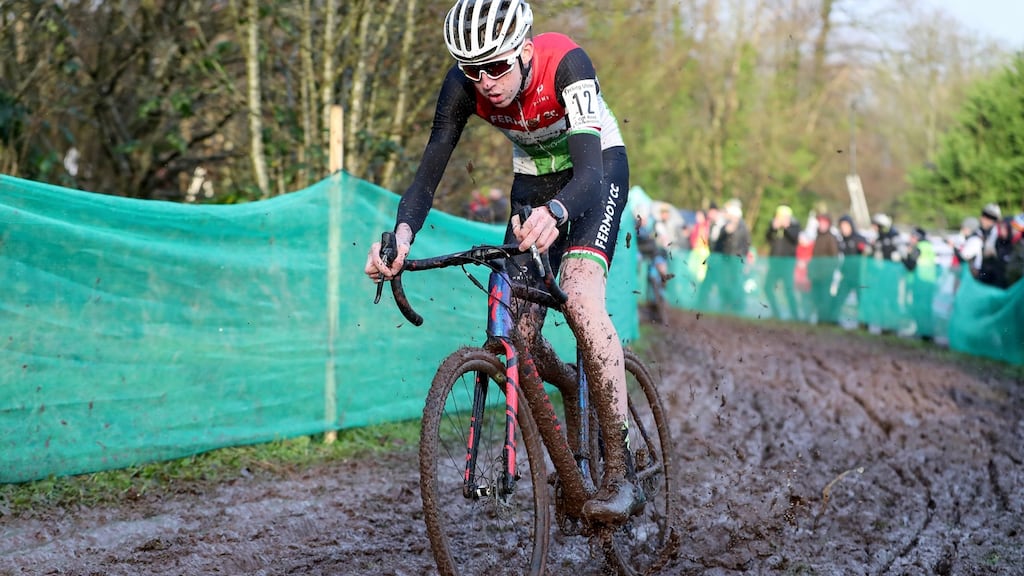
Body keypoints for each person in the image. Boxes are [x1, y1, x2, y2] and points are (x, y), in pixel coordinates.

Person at [363, 0, 641, 523]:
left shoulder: (567, 65)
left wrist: (558, 212)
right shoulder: (464, 85)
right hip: (534, 177)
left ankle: (621, 471)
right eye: (473, 70)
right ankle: (569, 388)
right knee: (518, 328)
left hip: (596, 169)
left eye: (496, 67)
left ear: (525, 52)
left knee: (580, 299)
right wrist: (401, 238)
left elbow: (587, 175)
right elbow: (429, 173)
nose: (485, 81)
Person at [764, 204, 802, 321]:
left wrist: (786, 227)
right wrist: (773, 228)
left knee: (788, 290)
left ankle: (795, 316)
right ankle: (776, 313)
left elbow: (795, 238)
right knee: (767, 287)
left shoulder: (795, 226)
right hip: (775, 263)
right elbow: (768, 238)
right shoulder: (775, 226)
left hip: (787, 264)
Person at [831, 215, 868, 326]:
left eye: (846, 226)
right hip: (846, 275)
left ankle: (863, 324)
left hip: (859, 276)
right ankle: (832, 319)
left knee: (861, 300)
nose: (844, 228)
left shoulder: (859, 239)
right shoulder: (841, 240)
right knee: (838, 298)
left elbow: (866, 252)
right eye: (842, 226)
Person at [902, 227, 937, 340]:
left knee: (919, 308)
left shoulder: (919, 247)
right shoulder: (928, 246)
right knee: (926, 309)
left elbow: (910, 265)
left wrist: (903, 257)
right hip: (929, 282)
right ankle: (926, 333)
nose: (910, 239)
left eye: (912, 236)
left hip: (920, 282)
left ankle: (924, 333)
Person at [807, 214, 839, 324]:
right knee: (815, 297)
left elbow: (834, 258)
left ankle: (825, 320)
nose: (821, 224)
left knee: (824, 298)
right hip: (816, 273)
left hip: (825, 274)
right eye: (820, 222)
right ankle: (820, 319)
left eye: (824, 222)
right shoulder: (818, 236)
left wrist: (827, 271)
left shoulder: (830, 237)